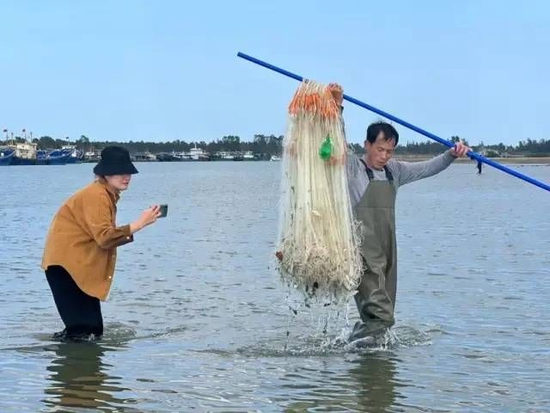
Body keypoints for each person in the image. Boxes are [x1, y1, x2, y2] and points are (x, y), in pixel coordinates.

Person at [327, 84, 471, 341]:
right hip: (361, 250)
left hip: (388, 249)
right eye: (380, 149)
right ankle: (357, 346)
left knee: (384, 313)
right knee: (381, 315)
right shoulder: (353, 168)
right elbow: (337, 140)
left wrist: (451, 154)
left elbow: (428, 167)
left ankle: (360, 347)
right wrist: (338, 108)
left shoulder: (395, 171)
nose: (384, 156)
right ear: (367, 145)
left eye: (389, 151)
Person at [41, 146, 162, 341]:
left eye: (129, 171)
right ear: (105, 174)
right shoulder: (96, 195)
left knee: (90, 330)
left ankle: (65, 355)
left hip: (72, 267)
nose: (127, 176)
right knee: (85, 332)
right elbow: (105, 237)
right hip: (67, 269)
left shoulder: (104, 194)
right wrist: (140, 223)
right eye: (120, 172)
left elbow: (101, 237)